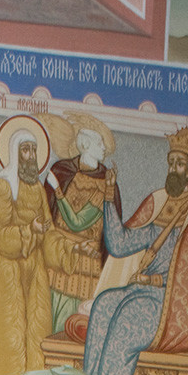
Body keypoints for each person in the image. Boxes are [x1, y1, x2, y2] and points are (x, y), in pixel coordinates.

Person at [82, 127, 188, 375]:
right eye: (171, 163)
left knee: (126, 321)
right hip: (140, 290)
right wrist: (109, 195)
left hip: (170, 305)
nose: (173, 169)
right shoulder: (160, 206)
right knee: (104, 305)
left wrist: (152, 280)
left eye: (180, 165)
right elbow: (119, 245)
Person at [0, 120, 53, 375]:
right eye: (26, 150)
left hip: (35, 270)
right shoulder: (2, 186)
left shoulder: (38, 188)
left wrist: (69, 248)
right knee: (10, 335)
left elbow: (49, 228)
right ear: (14, 153)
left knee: (38, 331)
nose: (31, 156)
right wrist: (28, 230)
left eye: (34, 151)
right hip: (8, 271)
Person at [42, 114, 122, 334]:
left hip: (88, 264)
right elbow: (46, 213)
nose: (104, 148)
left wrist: (57, 189)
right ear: (85, 144)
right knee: (53, 317)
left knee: (78, 323)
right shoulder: (62, 171)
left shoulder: (106, 183)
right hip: (59, 259)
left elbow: (78, 222)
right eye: (99, 142)